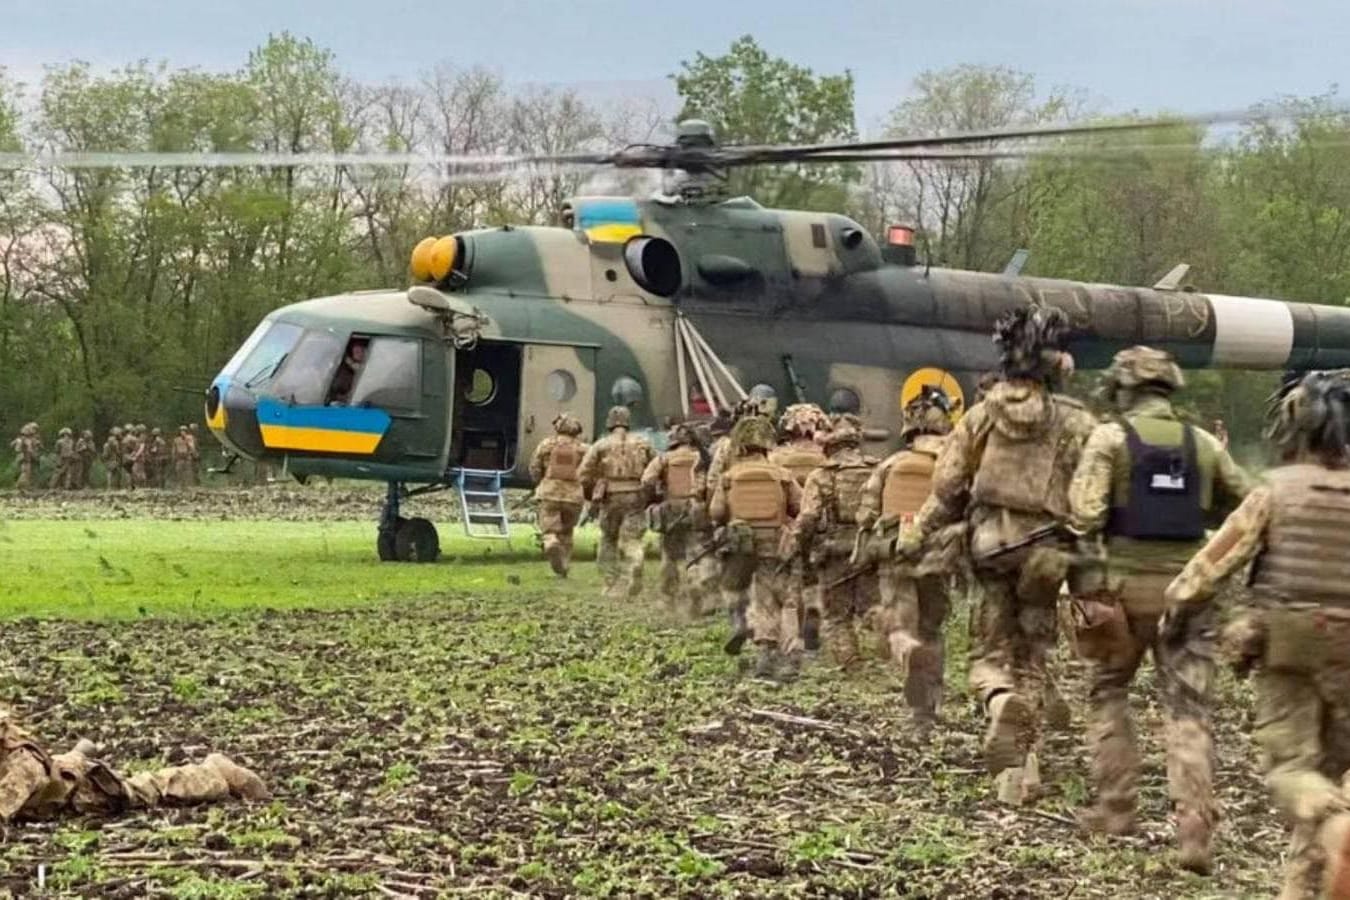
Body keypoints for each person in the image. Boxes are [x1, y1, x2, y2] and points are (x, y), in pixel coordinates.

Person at [1164, 370, 1350, 898]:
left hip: (1291, 647)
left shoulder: (1275, 492)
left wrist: (1177, 609)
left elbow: (1213, 563)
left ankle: (1338, 829)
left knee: (1294, 771)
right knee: (1337, 777)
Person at [1066, 347, 1252, 871]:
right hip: (1190, 593)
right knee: (1188, 710)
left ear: (1123, 388)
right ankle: (1194, 828)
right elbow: (1243, 509)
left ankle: (1116, 809)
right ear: (1170, 389)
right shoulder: (1206, 444)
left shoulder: (1108, 439)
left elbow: (1084, 516)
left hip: (1121, 594)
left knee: (1108, 692)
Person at [901, 306, 1096, 804]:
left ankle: (999, 700)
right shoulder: (1077, 422)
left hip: (990, 549)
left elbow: (946, 489)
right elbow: (1095, 498)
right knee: (1031, 654)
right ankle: (1021, 771)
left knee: (990, 654)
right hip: (1048, 556)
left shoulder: (981, 416)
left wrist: (917, 536)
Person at [858, 386, 956, 732]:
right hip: (939, 556)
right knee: (932, 628)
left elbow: (866, 514)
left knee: (900, 625)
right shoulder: (952, 467)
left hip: (896, 553)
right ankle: (926, 711)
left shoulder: (891, 465)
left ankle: (907, 651)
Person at [0, 709, 267, 822]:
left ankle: (215, 772)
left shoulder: (21, 764)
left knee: (150, 789)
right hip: (58, 784)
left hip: (89, 793)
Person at [710, 415, 803, 680]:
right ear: (767, 445)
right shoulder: (783, 475)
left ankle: (765, 656)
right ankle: (791, 651)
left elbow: (716, 512)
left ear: (740, 445)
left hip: (742, 545)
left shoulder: (729, 477)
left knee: (760, 599)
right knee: (786, 599)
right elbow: (801, 507)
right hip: (778, 543)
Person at [793, 414, 878, 670]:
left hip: (834, 552)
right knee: (873, 608)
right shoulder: (878, 469)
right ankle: (898, 648)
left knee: (837, 615)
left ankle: (851, 661)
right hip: (870, 548)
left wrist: (801, 549)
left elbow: (808, 518)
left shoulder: (821, 476)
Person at [579, 406, 656, 600]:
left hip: (610, 496)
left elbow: (583, 474)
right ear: (628, 422)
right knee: (632, 538)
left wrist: (592, 494)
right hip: (636, 495)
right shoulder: (643, 443)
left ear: (610, 423)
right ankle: (635, 561)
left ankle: (610, 584)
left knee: (608, 538)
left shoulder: (600, 445)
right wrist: (650, 493)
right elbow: (657, 467)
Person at [770, 404, 830, 648]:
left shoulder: (776, 457)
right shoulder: (826, 458)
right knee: (815, 578)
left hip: (790, 528)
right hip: (821, 528)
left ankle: (792, 639)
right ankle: (814, 618)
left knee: (790, 586)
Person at [641, 424, 705, 619]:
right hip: (697, 509)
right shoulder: (702, 457)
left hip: (671, 510)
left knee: (669, 556)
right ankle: (695, 587)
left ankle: (668, 599)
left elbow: (647, 480)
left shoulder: (664, 459)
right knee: (695, 554)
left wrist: (657, 494)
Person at [528, 414, 589, 577]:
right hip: (573, 496)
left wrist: (539, 483)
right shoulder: (583, 449)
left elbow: (534, 467)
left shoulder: (546, 445)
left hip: (550, 493)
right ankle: (564, 565)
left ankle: (551, 542)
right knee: (567, 532)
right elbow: (591, 471)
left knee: (549, 530)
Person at [329, 339, 368, 405]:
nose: (361, 354)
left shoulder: (370, 367)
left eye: (363, 350)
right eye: (357, 352)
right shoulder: (342, 371)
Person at [10, 423, 41, 490]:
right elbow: (30, 450)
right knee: (26, 472)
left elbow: (12, 445)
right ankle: (20, 486)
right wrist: (34, 455)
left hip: (22, 457)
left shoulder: (20, 439)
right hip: (25, 457)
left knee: (26, 471)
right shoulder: (27, 440)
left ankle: (23, 486)